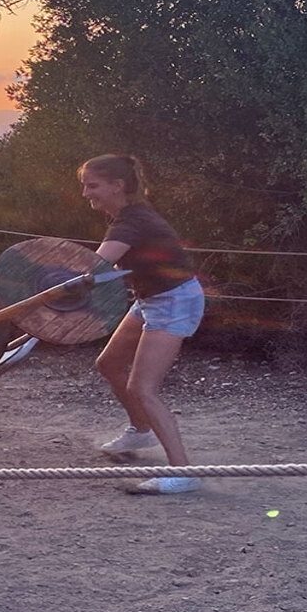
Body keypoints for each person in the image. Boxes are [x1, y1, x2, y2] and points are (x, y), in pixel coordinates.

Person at [78, 154, 206, 494]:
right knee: (109, 363)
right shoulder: (128, 218)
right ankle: (140, 431)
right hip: (151, 299)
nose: (86, 193)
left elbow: (94, 267)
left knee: (142, 389)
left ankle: (183, 473)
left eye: (92, 186)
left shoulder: (131, 222)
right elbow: (115, 269)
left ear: (117, 186)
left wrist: (65, 285)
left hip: (174, 302)